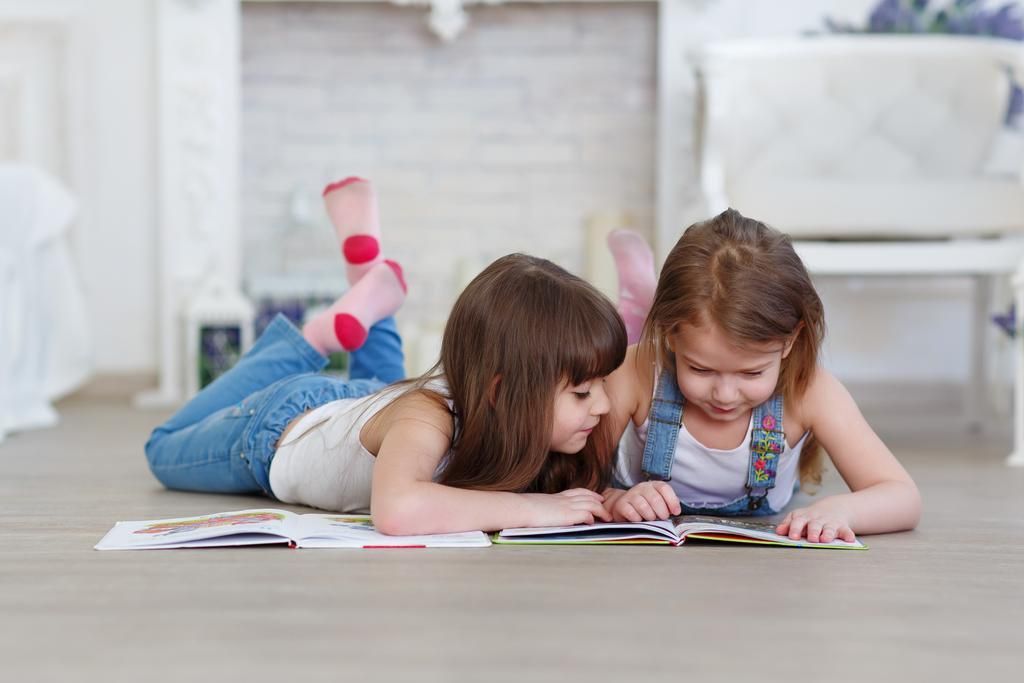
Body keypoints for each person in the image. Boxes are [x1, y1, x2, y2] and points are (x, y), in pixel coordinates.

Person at [145, 178, 626, 535]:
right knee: (162, 449)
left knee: (387, 391)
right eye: (583, 392)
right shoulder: (427, 417)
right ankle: (316, 338)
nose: (604, 405)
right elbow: (397, 510)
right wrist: (534, 509)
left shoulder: (504, 419)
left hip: (369, 407)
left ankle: (369, 278)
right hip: (277, 429)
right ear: (502, 392)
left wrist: (624, 498)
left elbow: (578, 495)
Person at [601, 208, 921, 543]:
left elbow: (902, 496)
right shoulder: (636, 372)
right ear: (671, 336)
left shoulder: (810, 390)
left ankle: (642, 304)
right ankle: (639, 307)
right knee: (629, 348)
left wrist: (842, 510)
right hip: (652, 350)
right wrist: (612, 498)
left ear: (789, 342)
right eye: (700, 369)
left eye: (752, 372)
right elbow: (572, 481)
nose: (725, 394)